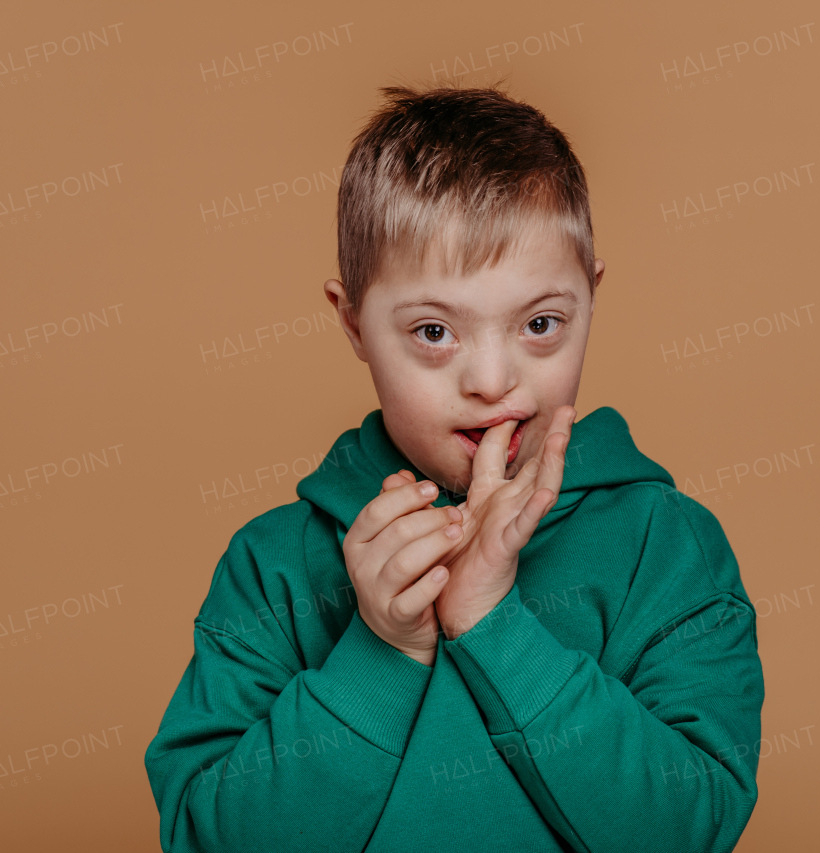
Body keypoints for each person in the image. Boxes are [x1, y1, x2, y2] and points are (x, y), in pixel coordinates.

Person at [145, 83, 764, 853]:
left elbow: (687, 829)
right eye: (435, 331)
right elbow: (210, 838)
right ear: (353, 322)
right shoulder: (271, 567)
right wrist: (381, 649)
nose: (492, 379)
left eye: (541, 323)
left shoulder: (666, 547)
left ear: (590, 301)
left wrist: (492, 623)